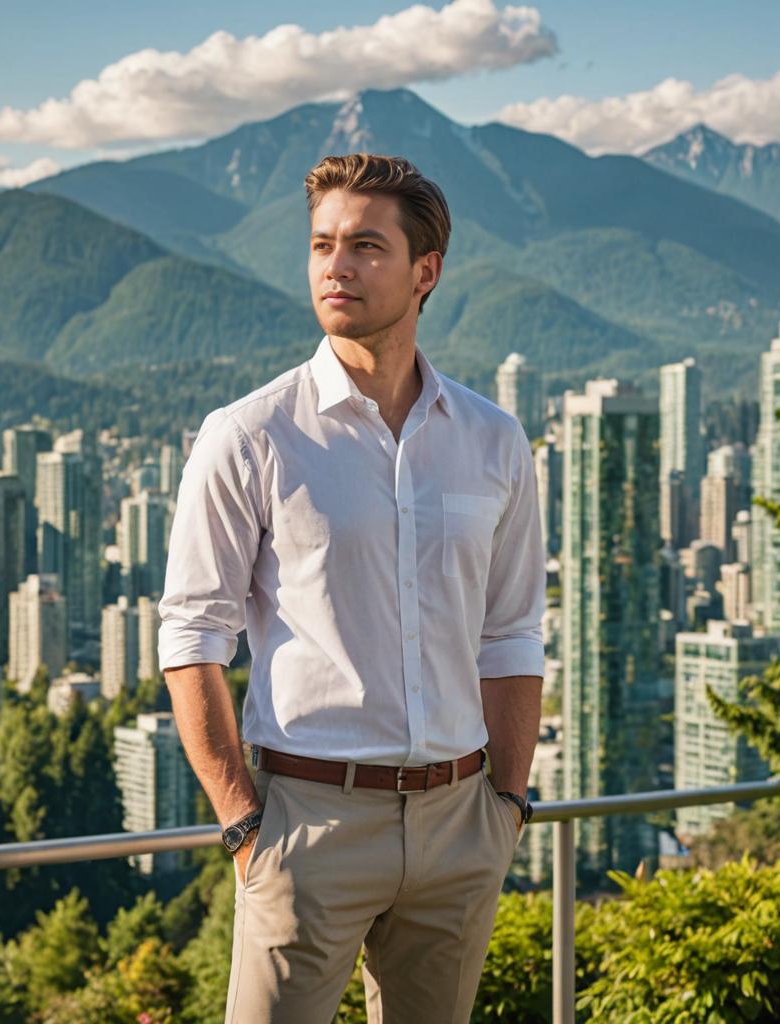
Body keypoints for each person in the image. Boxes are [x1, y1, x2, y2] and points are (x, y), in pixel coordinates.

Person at [158, 153, 545, 1024]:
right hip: (306, 825)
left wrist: (505, 808)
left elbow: (513, 632)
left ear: (425, 272)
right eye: (323, 244)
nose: (336, 265)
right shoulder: (249, 435)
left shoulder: (493, 439)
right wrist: (245, 829)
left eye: (367, 246)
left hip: (460, 825)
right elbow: (190, 636)